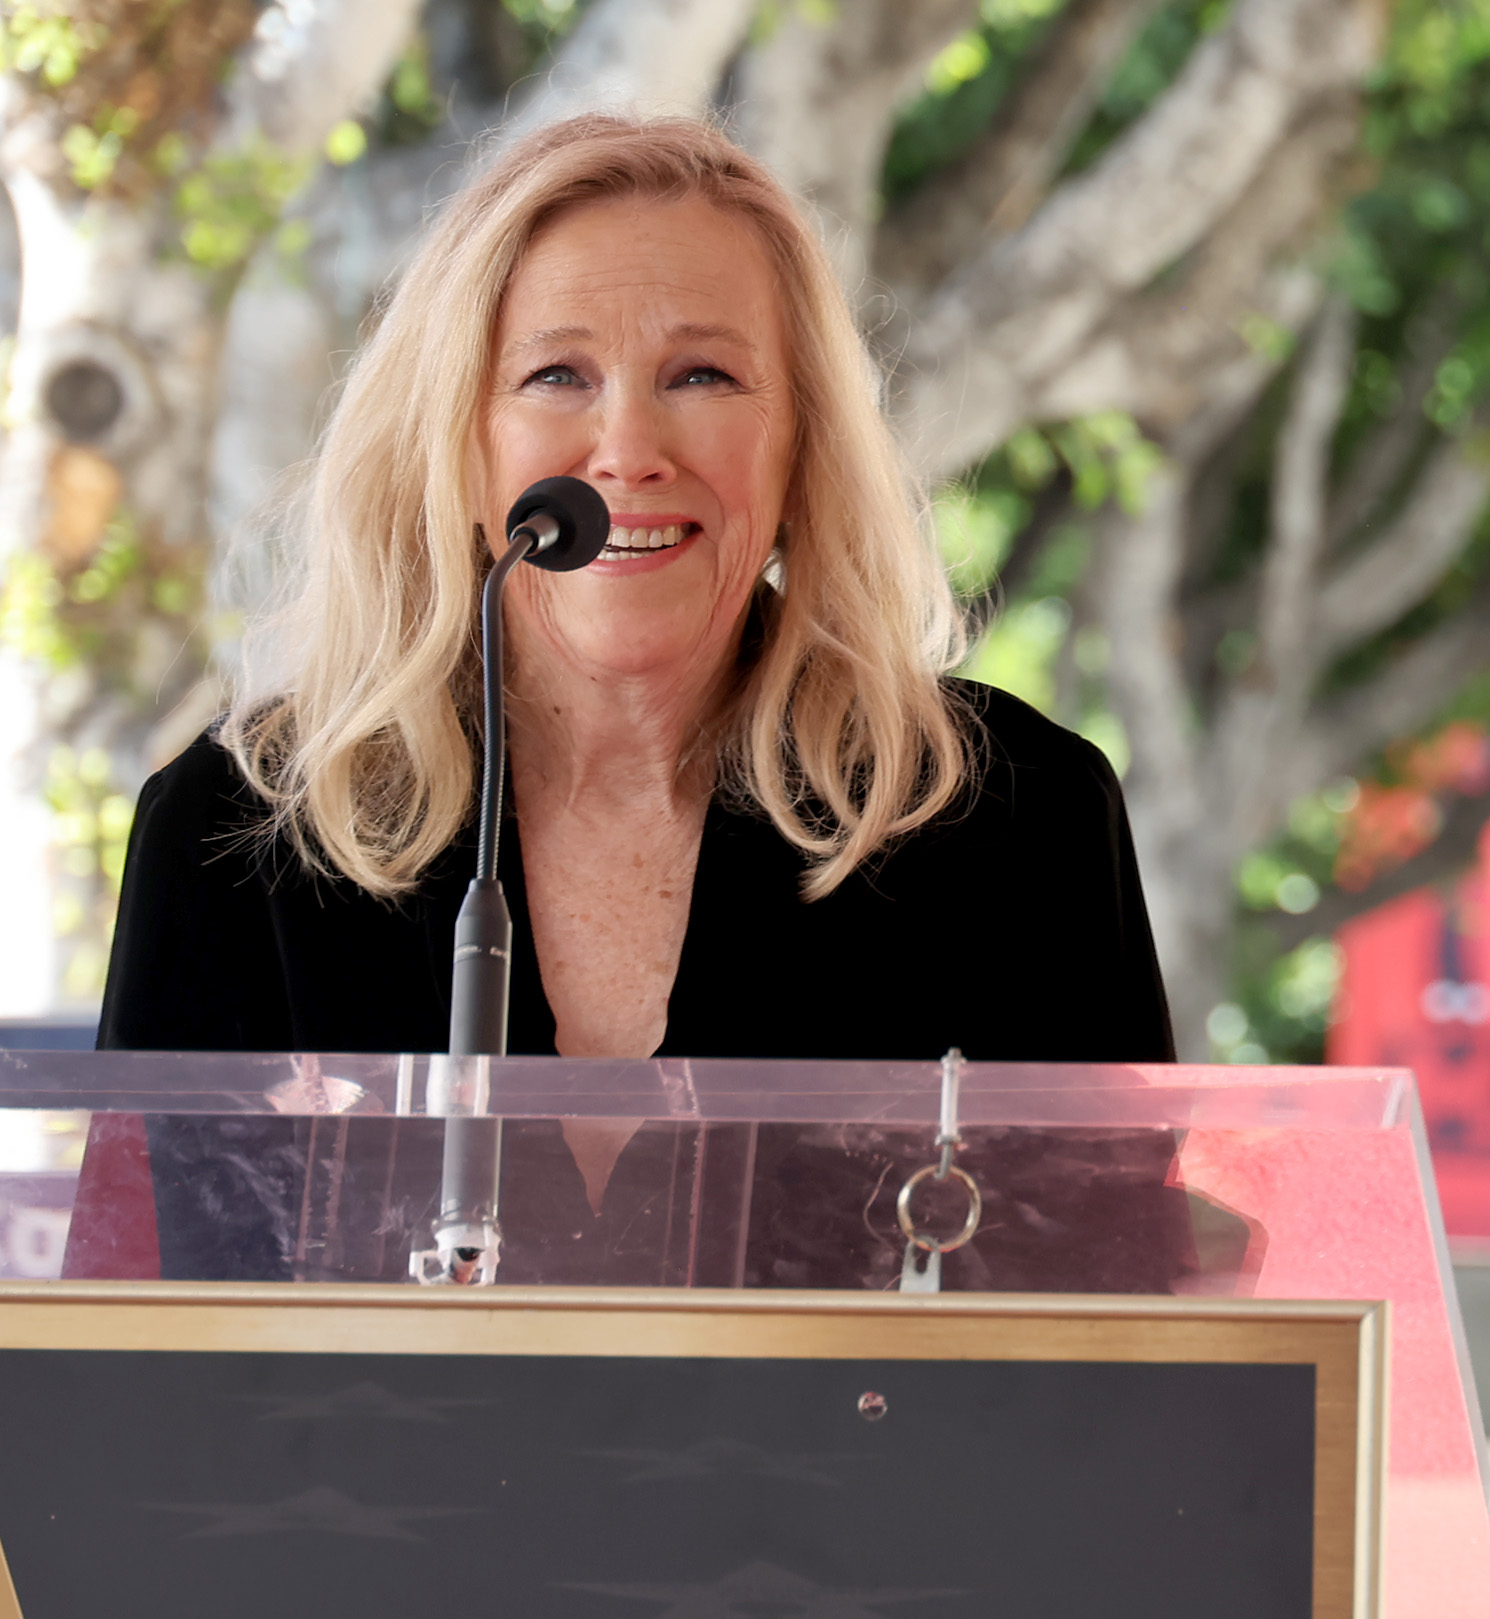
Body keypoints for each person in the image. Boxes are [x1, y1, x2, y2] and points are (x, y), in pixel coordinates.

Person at [98, 111, 1172, 1068]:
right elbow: (144, 1285)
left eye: (702, 375)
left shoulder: (1026, 821)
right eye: (555, 375)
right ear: (459, 451)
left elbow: (1110, 1282)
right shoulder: (229, 832)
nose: (626, 451)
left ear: (800, 448)